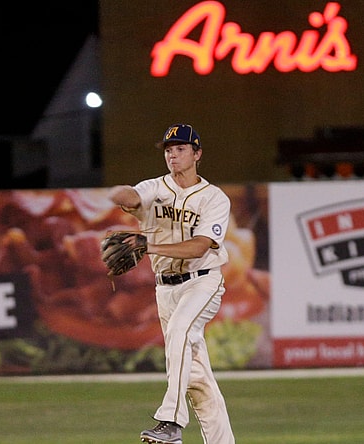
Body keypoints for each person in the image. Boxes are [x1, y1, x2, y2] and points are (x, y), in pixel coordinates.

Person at [107, 123, 235, 444]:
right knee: (198, 380)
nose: (173, 155)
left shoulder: (213, 198)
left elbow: (200, 246)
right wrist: (121, 194)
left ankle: (171, 422)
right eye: (168, 150)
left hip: (202, 283)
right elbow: (132, 196)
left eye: (180, 149)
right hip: (165, 289)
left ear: (197, 154)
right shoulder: (155, 187)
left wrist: (147, 246)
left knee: (180, 330)